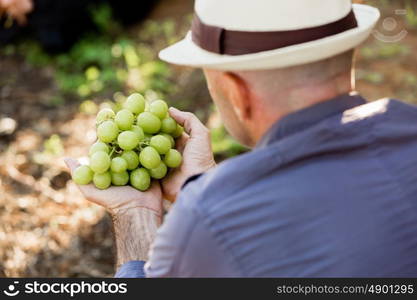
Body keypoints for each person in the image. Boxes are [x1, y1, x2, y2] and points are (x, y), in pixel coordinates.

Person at [66, 0, 417, 277]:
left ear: (237, 91)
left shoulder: (211, 220)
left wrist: (135, 213)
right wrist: (199, 183)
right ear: (347, 56)